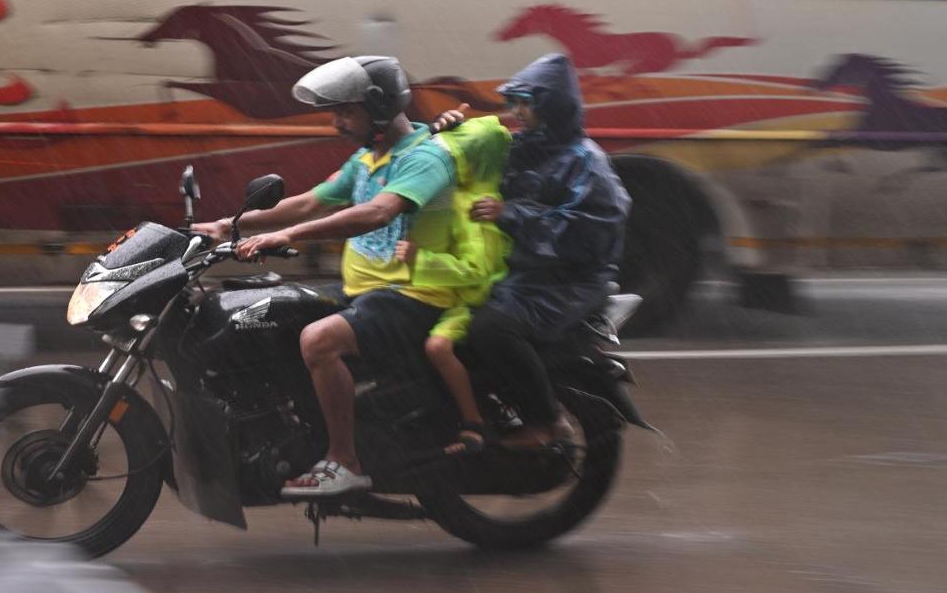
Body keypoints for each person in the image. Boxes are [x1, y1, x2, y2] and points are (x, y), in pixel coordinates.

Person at [194, 56, 461, 497]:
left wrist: (286, 235)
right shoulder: (367, 159)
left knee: (319, 340)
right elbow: (307, 203)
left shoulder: (426, 156)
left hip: (415, 293)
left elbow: (377, 213)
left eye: (345, 111)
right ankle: (298, 432)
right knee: (271, 317)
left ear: (378, 108)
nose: (337, 122)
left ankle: (345, 460)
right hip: (365, 291)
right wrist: (228, 225)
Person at [442, 53, 631, 447]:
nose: (519, 112)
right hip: (519, 272)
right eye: (516, 103)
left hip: (565, 282)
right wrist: (445, 132)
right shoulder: (526, 148)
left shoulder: (587, 162)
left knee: (492, 329)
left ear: (553, 106)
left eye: (528, 102)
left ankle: (546, 421)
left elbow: (589, 233)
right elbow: (472, 158)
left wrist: (510, 214)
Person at [392, 111, 512, 455]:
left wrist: (421, 260)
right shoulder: (456, 192)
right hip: (445, 290)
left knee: (437, 347)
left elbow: (475, 271)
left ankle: (473, 422)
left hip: (471, 300)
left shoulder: (476, 207)